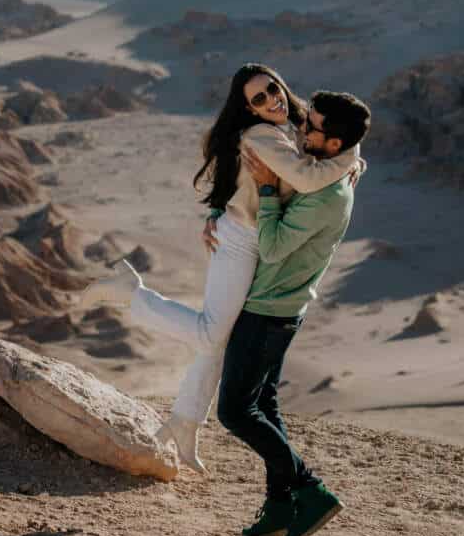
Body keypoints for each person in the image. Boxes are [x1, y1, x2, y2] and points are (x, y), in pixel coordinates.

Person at [79, 63, 364, 472]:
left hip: (252, 235)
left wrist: (355, 156)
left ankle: (184, 421)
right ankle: (131, 294)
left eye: (272, 88)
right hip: (241, 241)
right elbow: (305, 177)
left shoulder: (295, 123)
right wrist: (350, 163)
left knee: (219, 338)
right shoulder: (262, 134)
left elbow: (335, 141)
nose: (272, 99)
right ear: (248, 109)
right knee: (212, 332)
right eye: (258, 99)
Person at [218, 90, 371, 536]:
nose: (302, 129)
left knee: (235, 412)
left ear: (334, 141)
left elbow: (275, 247)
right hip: (282, 307)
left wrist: (266, 190)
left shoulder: (325, 193)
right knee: (264, 406)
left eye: (312, 127)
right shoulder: (333, 166)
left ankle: (310, 490)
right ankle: (280, 507)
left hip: (269, 310)